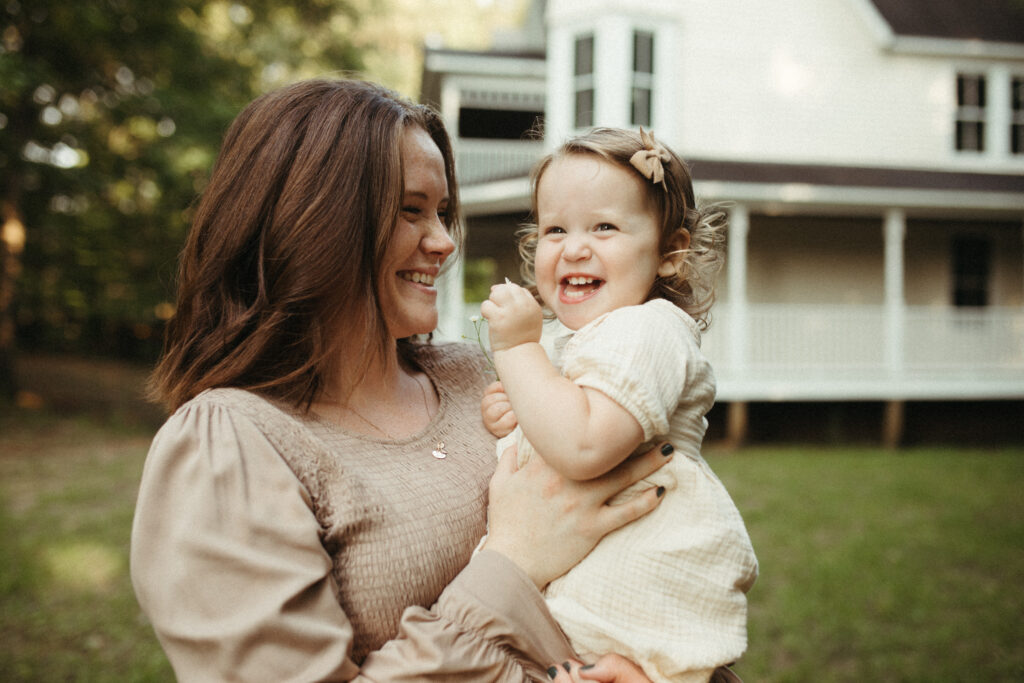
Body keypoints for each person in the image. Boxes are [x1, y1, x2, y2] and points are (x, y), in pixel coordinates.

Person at [129, 78, 677, 682]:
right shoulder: (232, 445)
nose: (444, 242)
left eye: (442, 212)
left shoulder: (479, 376)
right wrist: (512, 561)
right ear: (310, 221)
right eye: (410, 210)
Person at [480, 128, 759, 683]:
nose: (574, 246)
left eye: (604, 226)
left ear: (671, 253)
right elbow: (557, 416)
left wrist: (515, 353)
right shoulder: (578, 340)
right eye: (555, 228)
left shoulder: (650, 331)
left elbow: (584, 444)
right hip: (582, 601)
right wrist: (516, 408)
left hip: (638, 594)